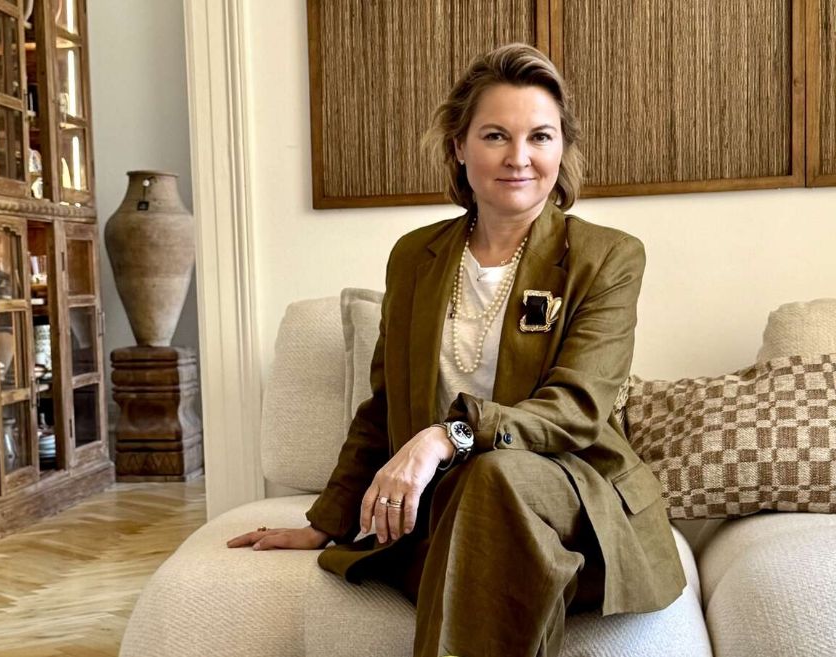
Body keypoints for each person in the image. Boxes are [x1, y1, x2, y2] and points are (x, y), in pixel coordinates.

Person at [227, 43, 685, 657]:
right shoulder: (415, 257)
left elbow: (576, 409)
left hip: (570, 491)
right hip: (445, 508)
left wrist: (447, 436)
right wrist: (325, 522)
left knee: (493, 475)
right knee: (480, 495)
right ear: (459, 147)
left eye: (540, 137)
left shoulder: (607, 256)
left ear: (562, 150)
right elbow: (382, 406)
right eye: (495, 135)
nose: (519, 157)